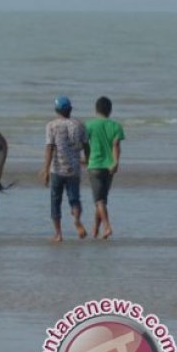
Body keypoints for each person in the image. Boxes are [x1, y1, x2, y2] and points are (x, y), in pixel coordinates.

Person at [41, 96, 88, 242]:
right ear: (70, 110)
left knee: (55, 201)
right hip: (74, 169)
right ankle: (77, 220)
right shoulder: (79, 124)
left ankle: (58, 234)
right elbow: (87, 145)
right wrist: (88, 159)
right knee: (74, 199)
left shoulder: (51, 125)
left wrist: (45, 169)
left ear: (56, 110)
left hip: (57, 169)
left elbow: (50, 147)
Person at [85, 96, 125, 239]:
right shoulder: (116, 126)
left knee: (99, 200)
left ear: (96, 109)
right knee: (101, 199)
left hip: (94, 165)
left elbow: (84, 145)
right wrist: (116, 162)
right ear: (110, 110)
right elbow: (116, 145)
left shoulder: (89, 125)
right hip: (109, 167)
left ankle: (107, 226)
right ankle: (96, 229)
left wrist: (84, 158)